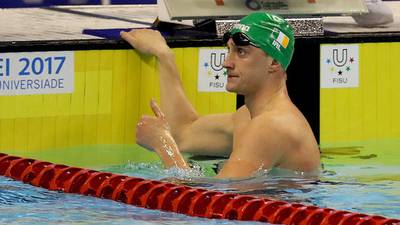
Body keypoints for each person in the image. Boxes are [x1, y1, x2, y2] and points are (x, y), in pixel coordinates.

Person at [120, 12, 321, 179]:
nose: (227, 62)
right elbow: (183, 134)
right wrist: (164, 56)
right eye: (229, 50)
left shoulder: (271, 126)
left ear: (274, 63)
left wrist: (164, 146)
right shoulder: (248, 116)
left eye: (241, 52)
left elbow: (208, 202)